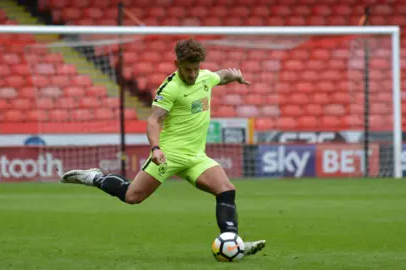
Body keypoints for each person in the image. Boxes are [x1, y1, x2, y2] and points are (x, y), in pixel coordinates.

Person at [61, 38, 266, 256]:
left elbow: (221, 75)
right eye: (188, 69)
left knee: (226, 190)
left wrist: (234, 75)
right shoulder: (170, 88)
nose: (193, 74)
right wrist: (155, 148)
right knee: (132, 196)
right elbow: (153, 120)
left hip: (196, 157)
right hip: (168, 155)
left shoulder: (205, 77)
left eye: (196, 69)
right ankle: (96, 178)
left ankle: (233, 242)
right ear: (177, 64)